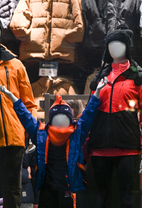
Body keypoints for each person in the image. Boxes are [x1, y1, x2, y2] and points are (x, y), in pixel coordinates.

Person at [0, 76, 107, 208]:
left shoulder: (75, 134)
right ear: (51, 120)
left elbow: (89, 115)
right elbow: (25, 116)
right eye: (57, 118)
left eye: (65, 118)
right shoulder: (41, 134)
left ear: (70, 119)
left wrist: (97, 93)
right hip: (47, 192)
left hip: (67, 191)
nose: (61, 122)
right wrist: (12, 98)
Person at [87, 24, 142, 208]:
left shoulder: (139, 78)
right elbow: (89, 115)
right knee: (102, 201)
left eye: (119, 44)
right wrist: (84, 147)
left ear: (127, 47)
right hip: (99, 149)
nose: (114, 48)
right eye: (110, 45)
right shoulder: (99, 78)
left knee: (128, 201)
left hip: (128, 150)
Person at [0, 20, 37, 208]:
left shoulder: (15, 65)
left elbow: (29, 102)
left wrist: (30, 131)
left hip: (13, 138)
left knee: (12, 188)